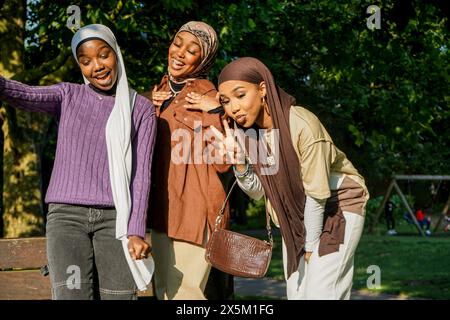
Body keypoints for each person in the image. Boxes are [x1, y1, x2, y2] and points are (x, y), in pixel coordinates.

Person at [0, 24, 156, 299]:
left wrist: (135, 231)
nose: (97, 66)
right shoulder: (68, 95)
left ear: (116, 54)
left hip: (115, 221)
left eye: (103, 55)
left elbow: (141, 176)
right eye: (86, 61)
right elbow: (22, 93)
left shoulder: (140, 108)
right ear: (80, 66)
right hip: (66, 219)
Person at [212, 57, 369, 300]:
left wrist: (310, 245)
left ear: (263, 89)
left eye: (240, 95)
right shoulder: (252, 135)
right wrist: (239, 161)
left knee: (321, 294)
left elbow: (316, 195)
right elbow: (257, 192)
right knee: (297, 295)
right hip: (294, 218)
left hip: (336, 207)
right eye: (226, 101)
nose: (233, 107)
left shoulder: (302, 124)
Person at [145, 21, 230, 300]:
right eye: (177, 43)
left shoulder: (205, 93)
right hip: (160, 210)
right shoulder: (161, 91)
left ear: (203, 59)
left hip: (192, 211)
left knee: (186, 296)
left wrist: (217, 110)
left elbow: (223, 161)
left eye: (192, 50)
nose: (180, 53)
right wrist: (146, 104)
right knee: (165, 293)